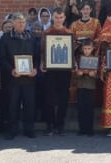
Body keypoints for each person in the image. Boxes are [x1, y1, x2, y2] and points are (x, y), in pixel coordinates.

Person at [0, 13, 38, 139]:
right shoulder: (5, 38)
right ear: (13, 23)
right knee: (12, 105)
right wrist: (11, 70)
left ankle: (29, 129)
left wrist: (35, 69)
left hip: (29, 79)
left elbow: (37, 56)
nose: (22, 24)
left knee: (29, 105)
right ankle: (12, 130)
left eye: (23, 22)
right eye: (19, 22)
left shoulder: (31, 36)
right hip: (13, 79)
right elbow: (2, 58)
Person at [40, 7, 73, 136]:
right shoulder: (47, 32)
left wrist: (73, 63)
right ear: (52, 17)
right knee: (49, 98)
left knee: (63, 98)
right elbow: (42, 50)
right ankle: (49, 124)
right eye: (56, 17)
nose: (58, 20)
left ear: (64, 18)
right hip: (50, 70)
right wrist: (42, 62)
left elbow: (71, 51)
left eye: (61, 17)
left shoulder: (69, 33)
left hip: (65, 70)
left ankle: (60, 125)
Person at [75, 38, 98, 136]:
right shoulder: (79, 59)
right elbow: (76, 72)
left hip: (90, 87)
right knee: (81, 108)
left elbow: (98, 74)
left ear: (92, 49)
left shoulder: (95, 59)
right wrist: (78, 73)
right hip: (80, 86)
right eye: (85, 48)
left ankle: (90, 129)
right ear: (82, 49)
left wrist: (94, 74)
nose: (87, 51)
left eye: (89, 48)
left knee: (89, 109)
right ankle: (82, 129)